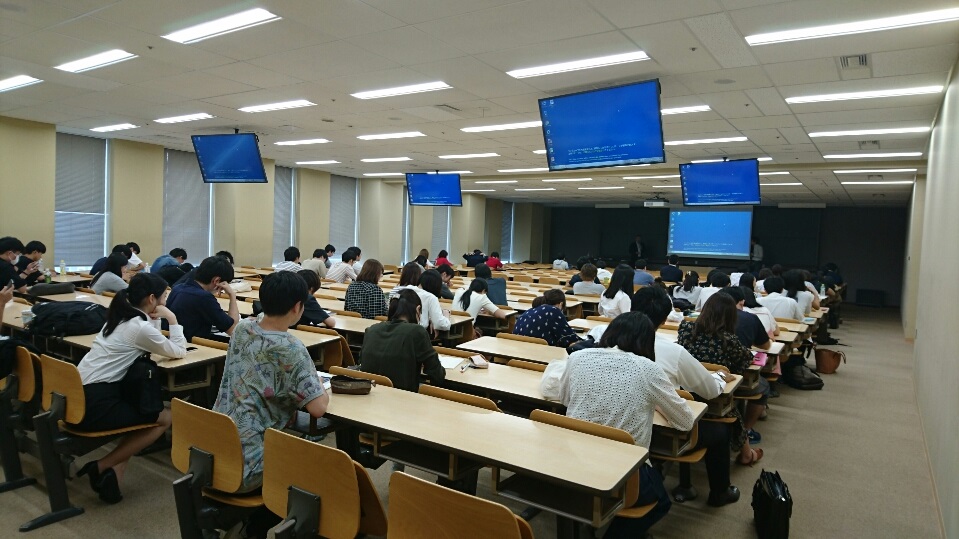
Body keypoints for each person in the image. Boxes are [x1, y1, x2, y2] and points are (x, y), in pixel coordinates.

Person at [558, 312, 695, 538]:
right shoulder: (647, 369)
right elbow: (685, 421)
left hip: (573, 461)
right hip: (621, 470)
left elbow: (565, 400)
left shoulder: (578, 357)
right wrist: (656, 405)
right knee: (661, 502)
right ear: (647, 342)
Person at [213, 271, 329, 492]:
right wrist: (317, 379)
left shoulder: (242, 329)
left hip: (216, 444)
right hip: (249, 463)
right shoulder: (291, 348)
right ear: (297, 307)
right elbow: (318, 408)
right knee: (322, 463)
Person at [74, 273, 185, 504]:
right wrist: (172, 319)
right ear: (153, 299)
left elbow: (149, 337)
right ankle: (101, 466)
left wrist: (157, 318)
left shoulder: (120, 319)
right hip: (96, 403)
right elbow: (177, 351)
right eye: (164, 297)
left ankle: (112, 476)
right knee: (164, 417)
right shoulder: (138, 328)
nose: (166, 302)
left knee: (141, 407)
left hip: (78, 395)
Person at [629, 287, 739, 506]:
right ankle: (720, 492)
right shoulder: (672, 352)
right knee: (720, 431)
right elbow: (709, 390)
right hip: (661, 434)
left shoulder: (604, 339)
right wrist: (718, 376)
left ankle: (662, 473)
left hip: (615, 429)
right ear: (663, 319)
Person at [678, 293, 767, 466]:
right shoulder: (729, 339)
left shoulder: (686, 329)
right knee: (734, 407)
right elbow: (745, 360)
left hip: (686, 391)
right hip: (716, 396)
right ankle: (746, 453)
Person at [359, 289, 445, 392]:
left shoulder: (371, 329)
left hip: (369, 395)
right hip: (401, 399)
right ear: (418, 310)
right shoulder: (417, 332)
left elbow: (362, 361)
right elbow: (437, 374)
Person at [166, 256, 239, 341]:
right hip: (192, 348)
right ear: (217, 281)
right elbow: (234, 330)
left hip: (172, 343)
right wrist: (232, 296)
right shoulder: (204, 297)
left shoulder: (177, 288)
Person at [512, 290, 581, 350]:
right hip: (540, 353)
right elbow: (569, 339)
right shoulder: (553, 310)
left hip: (518, 349)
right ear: (561, 304)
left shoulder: (529, 311)